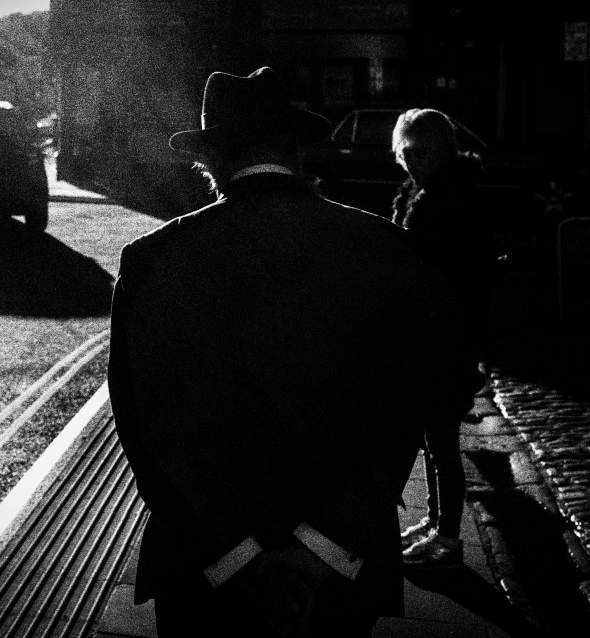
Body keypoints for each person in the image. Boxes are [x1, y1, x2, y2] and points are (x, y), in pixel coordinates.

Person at [107, 68, 481, 637]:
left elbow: (147, 425)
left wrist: (237, 555)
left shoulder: (153, 260)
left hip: (205, 573)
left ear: (210, 159)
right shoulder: (382, 248)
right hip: (337, 576)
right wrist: (317, 551)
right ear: (298, 149)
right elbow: (403, 409)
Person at [390, 108, 498, 567]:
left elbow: (455, 278)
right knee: (433, 443)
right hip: (431, 339)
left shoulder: (448, 201)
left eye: (417, 152)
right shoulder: (427, 193)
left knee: (442, 445)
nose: (408, 161)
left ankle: (449, 538)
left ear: (438, 150)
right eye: (404, 152)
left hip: (443, 342)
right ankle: (436, 522)